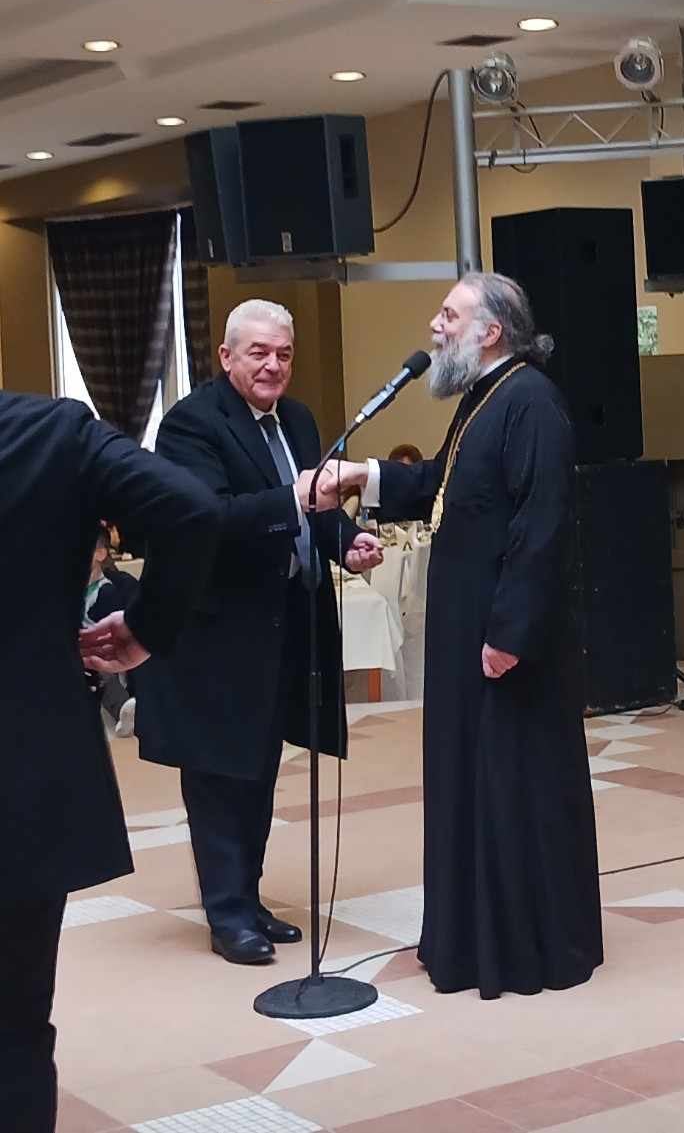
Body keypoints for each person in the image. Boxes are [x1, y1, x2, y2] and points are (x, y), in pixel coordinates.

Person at [320, 271, 603, 1000]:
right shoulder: (484, 397)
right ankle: (472, 937)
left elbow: (542, 526)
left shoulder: (531, 401)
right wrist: (361, 474)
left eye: (449, 315)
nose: (435, 326)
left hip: (504, 642)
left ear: (491, 331)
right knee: (469, 784)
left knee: (509, 787)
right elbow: (438, 489)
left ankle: (520, 946)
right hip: (464, 633)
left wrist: (509, 632)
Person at [135, 299, 383, 966]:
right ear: (226, 356)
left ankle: (248, 896)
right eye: (259, 353)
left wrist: (346, 540)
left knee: (261, 767)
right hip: (214, 635)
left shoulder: (297, 420)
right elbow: (207, 517)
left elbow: (315, 509)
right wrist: (294, 499)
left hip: (283, 630)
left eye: (284, 354)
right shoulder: (191, 423)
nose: (273, 365)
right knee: (218, 774)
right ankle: (227, 914)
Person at [0, 389, 219, 1133]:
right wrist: (148, 627)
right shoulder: (51, 432)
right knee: (16, 1021)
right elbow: (191, 508)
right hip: (28, 761)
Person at [85, 526, 138, 737]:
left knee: (102, 673)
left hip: (105, 656)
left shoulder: (106, 591)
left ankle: (124, 709)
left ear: (100, 553)